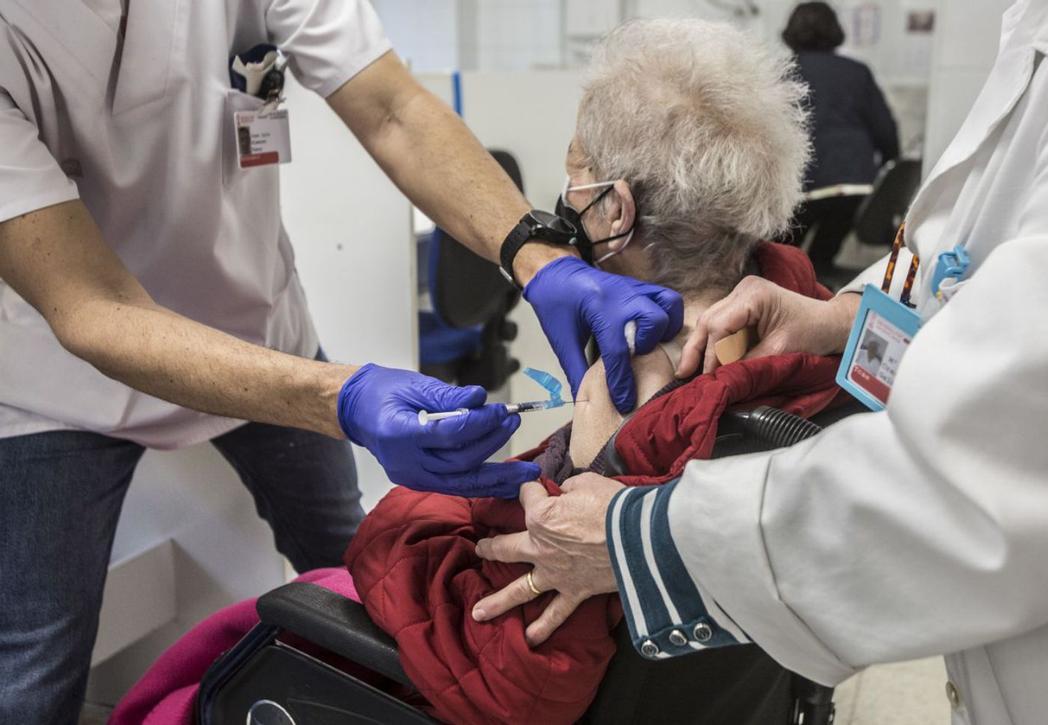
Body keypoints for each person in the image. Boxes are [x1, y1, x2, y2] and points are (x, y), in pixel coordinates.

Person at [474, 1, 1048, 723]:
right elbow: (966, 285)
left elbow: (517, 662)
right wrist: (840, 319)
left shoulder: (619, 390)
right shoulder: (801, 328)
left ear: (613, 210)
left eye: (576, 180)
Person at [0, 1, 681, 721]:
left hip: (261, 330)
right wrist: (343, 397)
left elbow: (391, 109)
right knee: (30, 669)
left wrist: (534, 256)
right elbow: (93, 306)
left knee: (375, 565)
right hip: (63, 382)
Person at [782, 1, 899, 280]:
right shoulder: (857, 72)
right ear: (835, 30)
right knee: (823, 257)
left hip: (803, 185)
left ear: (791, 32)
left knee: (780, 259)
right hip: (854, 183)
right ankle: (821, 301)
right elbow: (886, 132)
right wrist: (883, 175)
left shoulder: (784, 72)